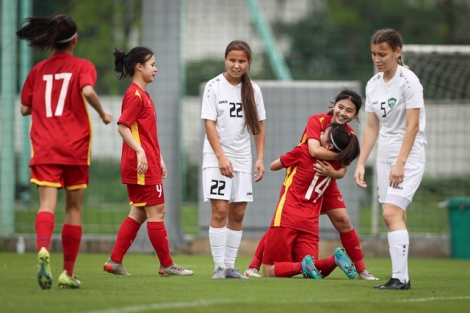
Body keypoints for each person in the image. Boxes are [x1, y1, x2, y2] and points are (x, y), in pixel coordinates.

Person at [16, 14, 113, 289]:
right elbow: (88, 90)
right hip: (75, 147)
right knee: (74, 208)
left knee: (46, 204)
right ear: (75, 40)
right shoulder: (83, 66)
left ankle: (43, 249)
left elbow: (24, 108)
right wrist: (103, 113)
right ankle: (67, 272)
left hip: (45, 146)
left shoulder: (38, 71)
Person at [245, 88, 379, 281]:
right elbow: (314, 151)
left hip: (325, 178)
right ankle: (253, 266)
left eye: (349, 111)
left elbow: (341, 172)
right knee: (281, 223)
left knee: (342, 220)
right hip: (302, 176)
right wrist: (342, 155)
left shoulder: (351, 138)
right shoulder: (317, 121)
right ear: (334, 105)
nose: (343, 113)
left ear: (356, 115)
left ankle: (361, 270)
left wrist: (333, 172)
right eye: (340, 107)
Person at [103, 47, 193, 277]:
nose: (156, 68)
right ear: (139, 67)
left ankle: (114, 261)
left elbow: (146, 133)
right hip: (141, 165)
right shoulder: (134, 95)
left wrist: (159, 158)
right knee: (157, 212)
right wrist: (141, 153)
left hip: (147, 162)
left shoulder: (143, 95)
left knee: (139, 213)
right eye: (152, 64)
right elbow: (123, 126)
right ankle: (167, 264)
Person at [354, 29, 426, 290]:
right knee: (397, 216)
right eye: (374, 54)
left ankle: (400, 278)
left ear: (398, 52)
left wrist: (401, 163)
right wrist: (362, 162)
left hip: (408, 157)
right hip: (384, 158)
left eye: (382, 54)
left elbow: (413, 126)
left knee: (390, 213)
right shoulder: (372, 84)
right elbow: (372, 127)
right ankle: (402, 278)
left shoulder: (409, 81)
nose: (377, 59)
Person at [201, 40, 266, 279]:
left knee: (238, 213)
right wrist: (220, 157)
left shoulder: (254, 90)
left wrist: (259, 158)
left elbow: (259, 127)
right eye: (232, 60)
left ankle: (229, 267)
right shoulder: (213, 86)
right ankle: (219, 266)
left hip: (242, 158)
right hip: (216, 157)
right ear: (225, 59)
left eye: (241, 61)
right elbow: (209, 123)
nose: (236, 65)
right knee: (219, 210)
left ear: (248, 63)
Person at [262, 123, 360, 279]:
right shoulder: (337, 164)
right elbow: (340, 171)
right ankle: (334, 260)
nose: (318, 134)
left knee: (269, 270)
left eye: (323, 133)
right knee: (312, 269)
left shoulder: (303, 151)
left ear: (328, 145)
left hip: (287, 216)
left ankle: (302, 265)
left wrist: (290, 163)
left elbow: (274, 166)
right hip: (310, 222)